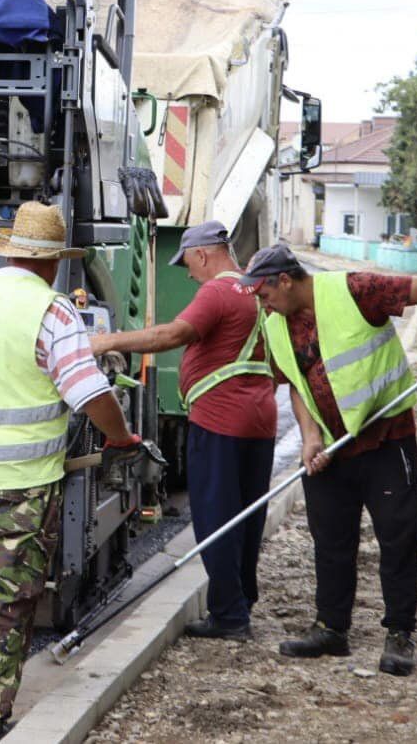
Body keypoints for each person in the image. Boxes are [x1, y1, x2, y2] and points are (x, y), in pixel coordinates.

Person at [0, 201, 144, 744]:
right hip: (21, 485)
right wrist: (120, 438)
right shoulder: (53, 313)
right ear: (52, 263)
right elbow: (91, 393)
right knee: (8, 601)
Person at [237, 244, 417, 677]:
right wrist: (310, 436)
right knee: (331, 540)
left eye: (263, 293)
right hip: (332, 448)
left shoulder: (355, 289)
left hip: (386, 438)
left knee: (397, 536)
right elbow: (294, 382)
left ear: (285, 280)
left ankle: (399, 633)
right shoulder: (275, 321)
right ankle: (331, 628)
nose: (261, 304)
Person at [90, 221, 276, 641]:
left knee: (216, 516)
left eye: (187, 262)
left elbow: (173, 334)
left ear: (203, 254)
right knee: (247, 513)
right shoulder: (257, 292)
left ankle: (229, 616)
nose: (187, 273)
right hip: (258, 419)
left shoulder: (217, 291)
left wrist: (105, 343)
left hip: (221, 420)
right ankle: (242, 599)